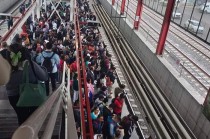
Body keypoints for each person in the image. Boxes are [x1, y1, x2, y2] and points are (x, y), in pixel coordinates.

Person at [5, 43, 48, 125]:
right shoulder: (30, 64)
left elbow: (7, 85)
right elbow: (44, 77)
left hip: (14, 97)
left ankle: (22, 132)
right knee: (33, 117)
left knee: (21, 117)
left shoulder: (6, 68)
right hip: (32, 93)